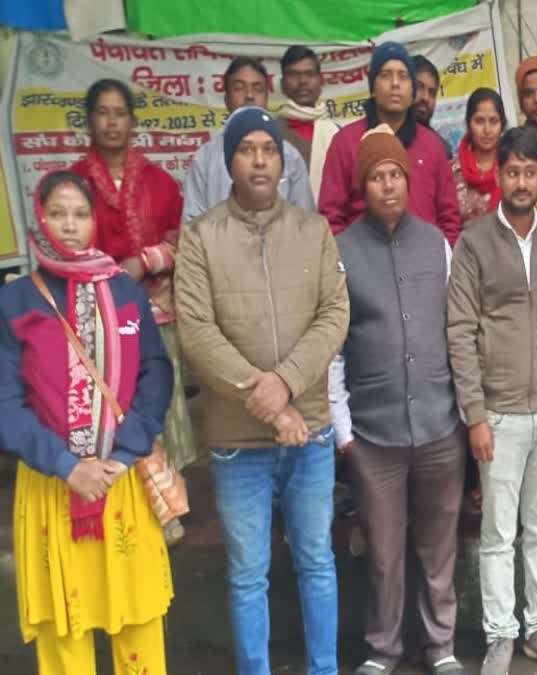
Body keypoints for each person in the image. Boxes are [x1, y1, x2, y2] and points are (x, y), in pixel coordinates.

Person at [174, 107, 349, 675]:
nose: (258, 159)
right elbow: (196, 332)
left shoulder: (313, 230)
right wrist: (268, 399)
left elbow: (335, 313)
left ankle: (323, 669)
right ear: (229, 161)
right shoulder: (201, 239)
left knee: (317, 561)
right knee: (248, 574)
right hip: (237, 443)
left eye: (268, 149)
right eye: (246, 149)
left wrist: (286, 384)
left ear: (283, 161)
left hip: (311, 433)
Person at [1, 170, 174, 675]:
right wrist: (64, 463)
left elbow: (155, 371)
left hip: (120, 483)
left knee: (137, 619)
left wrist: (123, 453)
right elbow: (6, 403)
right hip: (52, 486)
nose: (69, 226)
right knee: (63, 626)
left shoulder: (126, 293)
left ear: (95, 221)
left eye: (79, 214)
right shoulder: (16, 302)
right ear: (40, 218)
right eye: (58, 214)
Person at [447, 127, 537, 675]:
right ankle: (501, 633)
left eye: (531, 171)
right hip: (499, 413)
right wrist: (475, 414)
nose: (523, 181)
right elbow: (460, 330)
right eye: (513, 172)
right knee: (498, 532)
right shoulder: (475, 243)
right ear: (498, 176)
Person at [330, 127, 467, 675]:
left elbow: (459, 331)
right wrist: (345, 432)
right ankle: (382, 651)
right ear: (362, 186)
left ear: (408, 182)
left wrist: (463, 412)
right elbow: (332, 347)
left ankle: (442, 648)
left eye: (394, 176)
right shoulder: (341, 252)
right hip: (375, 434)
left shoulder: (436, 243)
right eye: (375, 177)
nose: (387, 185)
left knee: (439, 550)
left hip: (439, 426)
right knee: (384, 554)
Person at [69, 78, 195, 544]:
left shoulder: (161, 182)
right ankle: (129, 504)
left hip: (154, 313)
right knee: (113, 407)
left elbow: (183, 241)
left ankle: (170, 504)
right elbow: (66, 241)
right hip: (95, 317)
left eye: (119, 112)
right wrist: (108, 272)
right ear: (90, 120)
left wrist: (143, 263)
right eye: (102, 112)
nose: (111, 121)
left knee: (164, 405)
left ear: (132, 121)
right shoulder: (74, 183)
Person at [319, 41, 462, 242]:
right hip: (363, 267)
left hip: (425, 265)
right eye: (386, 75)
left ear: (412, 90)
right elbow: (331, 217)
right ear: (372, 88)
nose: (395, 84)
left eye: (403, 76)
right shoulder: (345, 142)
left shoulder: (433, 146)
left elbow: (449, 218)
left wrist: (440, 261)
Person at [184, 57, 314, 223]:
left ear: (267, 98)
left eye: (257, 88)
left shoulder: (290, 156)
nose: (250, 96)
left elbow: (304, 223)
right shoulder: (204, 158)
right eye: (239, 88)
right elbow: (192, 225)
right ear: (226, 99)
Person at [277, 45, 344, 198]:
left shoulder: (338, 135)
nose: (302, 81)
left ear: (321, 82)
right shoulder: (269, 135)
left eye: (309, 74)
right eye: (294, 74)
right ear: (282, 84)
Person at [453, 88, 506, 223]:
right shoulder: (452, 172)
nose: (487, 130)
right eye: (479, 121)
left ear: (502, 125)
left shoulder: (512, 168)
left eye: (493, 121)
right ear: (469, 124)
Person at [412, 54, 455, 158]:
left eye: (432, 92)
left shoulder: (442, 150)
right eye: (419, 87)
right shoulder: (382, 139)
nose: (426, 98)